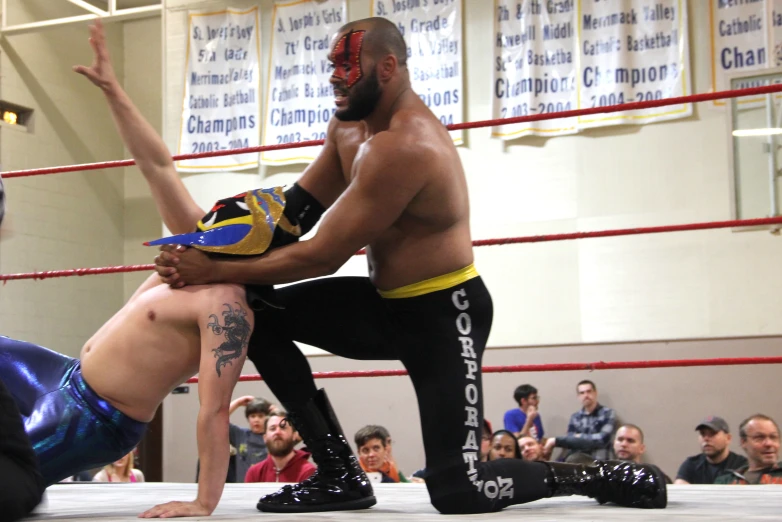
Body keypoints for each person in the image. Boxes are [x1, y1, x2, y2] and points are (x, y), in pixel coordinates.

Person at [152, 17, 667, 514]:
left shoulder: (406, 146)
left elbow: (323, 255)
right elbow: (298, 210)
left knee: (458, 491)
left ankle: (598, 474)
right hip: (385, 305)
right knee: (256, 314)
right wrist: (211, 242)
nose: (333, 75)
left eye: (346, 64)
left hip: (446, 313)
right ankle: (338, 474)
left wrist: (210, 271)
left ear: (388, 67)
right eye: (331, 63)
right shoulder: (348, 130)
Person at [0, 20, 262, 519]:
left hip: (94, 419)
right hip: (62, 375)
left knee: (12, 479)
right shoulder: (194, 260)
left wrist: (203, 502)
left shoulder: (225, 307)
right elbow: (157, 166)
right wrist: (113, 90)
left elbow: (211, 412)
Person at [244, 411, 316, 483]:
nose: (277, 432)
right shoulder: (254, 473)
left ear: (294, 435)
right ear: (265, 438)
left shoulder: (308, 472)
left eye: (283, 428)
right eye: (272, 428)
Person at [674, 416, 747, 485]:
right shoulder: (691, 464)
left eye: (712, 434)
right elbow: (679, 491)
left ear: (728, 438)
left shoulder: (741, 465)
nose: (706, 439)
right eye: (702, 434)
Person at [715, 414, 782, 485]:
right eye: (759, 438)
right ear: (743, 442)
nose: (769, 443)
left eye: (773, 437)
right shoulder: (726, 481)